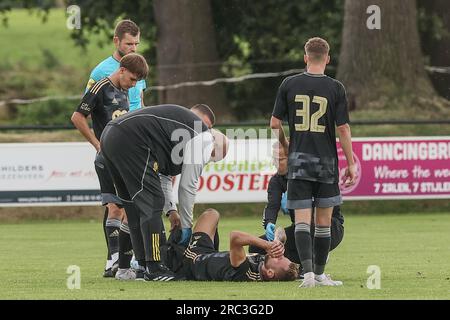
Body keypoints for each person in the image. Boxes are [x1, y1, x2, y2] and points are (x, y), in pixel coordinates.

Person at [99, 104, 229, 281]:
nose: (207, 162)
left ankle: (141, 267)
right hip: (132, 139)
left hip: (110, 135)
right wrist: (186, 225)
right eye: (212, 158)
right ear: (213, 146)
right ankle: (154, 268)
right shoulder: (205, 139)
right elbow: (187, 186)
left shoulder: (181, 139)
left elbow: (165, 177)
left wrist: (172, 211)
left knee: (133, 208)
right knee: (153, 203)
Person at [270, 37, 356, 288]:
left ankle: (306, 275)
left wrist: (287, 146)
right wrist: (350, 163)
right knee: (323, 223)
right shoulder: (336, 88)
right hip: (326, 164)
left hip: (299, 163)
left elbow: (275, 124)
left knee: (303, 222)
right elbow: (343, 128)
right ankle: (320, 274)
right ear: (327, 59)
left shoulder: (289, 84)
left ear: (305, 57)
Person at [71, 53, 149, 278]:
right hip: (107, 159)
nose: (133, 85)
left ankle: (121, 260)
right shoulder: (99, 87)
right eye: (132, 79)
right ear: (122, 70)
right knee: (115, 207)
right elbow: (77, 117)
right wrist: (98, 144)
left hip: (124, 158)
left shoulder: (124, 90)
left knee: (128, 207)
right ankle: (114, 261)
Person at [248, 142, 344, 273]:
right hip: (300, 230)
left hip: (329, 227)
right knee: (257, 245)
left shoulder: (313, 173)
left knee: (310, 222)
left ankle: (316, 258)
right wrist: (269, 223)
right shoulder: (276, 181)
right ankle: (278, 269)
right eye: (274, 158)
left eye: (280, 159)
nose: (275, 163)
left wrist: (299, 199)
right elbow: (272, 206)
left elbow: (326, 206)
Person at [180, 208, 299, 281]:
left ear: (270, 273)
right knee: (212, 214)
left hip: (194, 259)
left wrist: (267, 245)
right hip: (210, 254)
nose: (279, 255)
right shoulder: (266, 265)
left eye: (279, 259)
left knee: (211, 214)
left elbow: (235, 237)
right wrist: (277, 241)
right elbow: (281, 232)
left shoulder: (245, 273)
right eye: (283, 256)